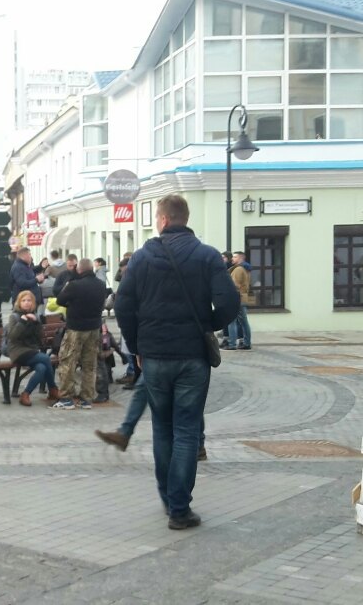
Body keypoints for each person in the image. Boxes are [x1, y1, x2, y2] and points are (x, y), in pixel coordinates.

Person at [115, 194, 239, 530]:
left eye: (157, 217)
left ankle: (169, 499)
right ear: (184, 218)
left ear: (165, 219)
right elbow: (230, 301)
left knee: (163, 429)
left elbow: (123, 304)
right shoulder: (207, 255)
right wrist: (208, 324)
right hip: (192, 357)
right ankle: (180, 508)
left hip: (154, 356)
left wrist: (136, 344)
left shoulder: (142, 258)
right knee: (187, 430)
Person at [52, 259, 108, 410]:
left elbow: (60, 300)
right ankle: (86, 399)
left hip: (76, 328)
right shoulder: (101, 285)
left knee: (68, 361)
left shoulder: (74, 285)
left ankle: (66, 398)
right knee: (90, 364)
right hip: (94, 328)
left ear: (79, 269)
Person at [7, 290, 60, 407]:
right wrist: (22, 321)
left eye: (29, 300)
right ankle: (53, 389)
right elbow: (12, 337)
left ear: (33, 303)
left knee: (41, 368)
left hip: (31, 351)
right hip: (18, 351)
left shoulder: (35, 316)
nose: (26, 303)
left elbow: (38, 339)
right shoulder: (14, 317)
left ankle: (25, 394)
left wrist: (36, 323)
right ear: (19, 303)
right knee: (46, 358)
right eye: (24, 300)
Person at [227, 251, 253, 351]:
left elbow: (234, 285)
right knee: (244, 322)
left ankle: (232, 344)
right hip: (242, 297)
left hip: (236, 297)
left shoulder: (238, 269)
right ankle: (247, 343)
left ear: (241, 258)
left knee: (231, 321)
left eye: (235, 257)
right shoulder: (246, 269)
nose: (232, 258)